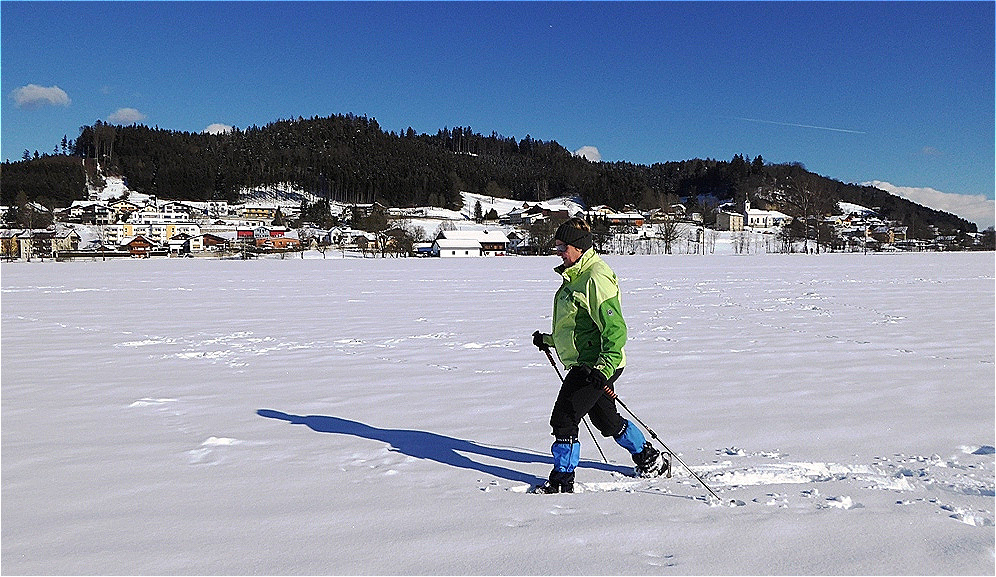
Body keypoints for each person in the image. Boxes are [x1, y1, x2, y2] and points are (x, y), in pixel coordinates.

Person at [531, 218, 668, 493]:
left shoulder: (595, 277)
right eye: (557, 245)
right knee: (606, 421)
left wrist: (603, 369)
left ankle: (561, 480)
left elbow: (615, 329)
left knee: (565, 417)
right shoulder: (576, 275)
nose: (558, 251)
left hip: (597, 364)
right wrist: (549, 340)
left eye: (562, 246)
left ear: (579, 247)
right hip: (591, 362)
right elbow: (578, 327)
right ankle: (649, 458)